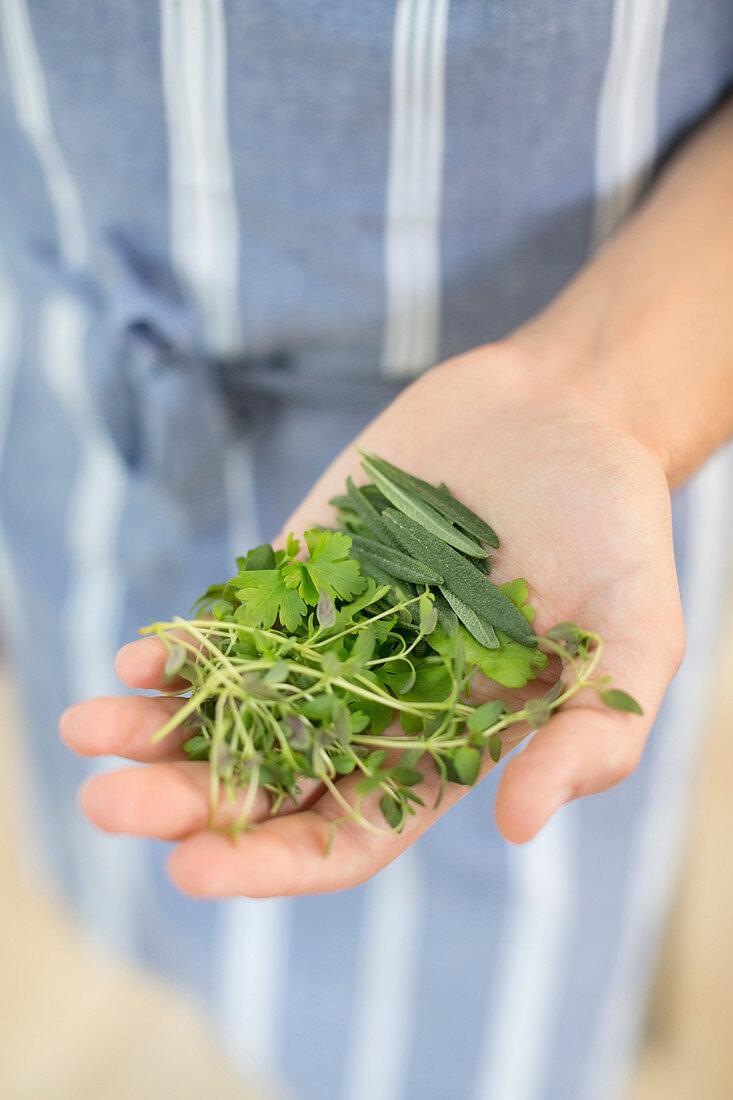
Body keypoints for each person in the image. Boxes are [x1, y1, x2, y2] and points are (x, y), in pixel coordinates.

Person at [1, 3, 731, 1098]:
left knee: (448, 1032)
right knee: (158, 856)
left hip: (553, 402)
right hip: (102, 355)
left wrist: (607, 392)